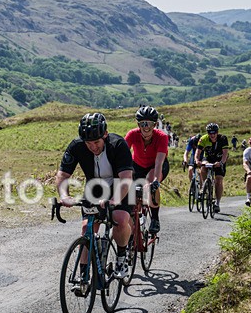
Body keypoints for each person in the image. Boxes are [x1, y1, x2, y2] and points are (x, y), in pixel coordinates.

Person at [56, 113, 134, 279]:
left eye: (96, 142)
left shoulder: (118, 144)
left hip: (120, 186)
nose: (93, 147)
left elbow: (126, 178)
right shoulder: (76, 146)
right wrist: (64, 196)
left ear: (105, 134)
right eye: (88, 143)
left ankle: (122, 258)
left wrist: (114, 200)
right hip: (95, 188)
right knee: (87, 229)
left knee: (120, 219)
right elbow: (62, 175)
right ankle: (83, 276)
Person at [125, 106, 169, 234]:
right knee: (131, 192)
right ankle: (133, 221)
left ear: (155, 124)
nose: (146, 127)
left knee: (150, 182)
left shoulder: (162, 137)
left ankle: (155, 218)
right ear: (138, 124)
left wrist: (155, 181)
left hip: (156, 165)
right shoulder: (132, 134)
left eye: (149, 123)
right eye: (143, 123)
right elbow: (122, 154)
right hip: (137, 165)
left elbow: (159, 162)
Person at [195, 123, 230, 213]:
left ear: (217, 132)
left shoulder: (223, 138)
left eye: (214, 133)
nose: (212, 135)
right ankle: (204, 186)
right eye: (210, 133)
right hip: (208, 158)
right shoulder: (203, 139)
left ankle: (217, 203)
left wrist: (221, 162)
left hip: (220, 159)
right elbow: (198, 152)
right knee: (203, 167)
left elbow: (225, 153)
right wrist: (197, 160)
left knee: (218, 180)